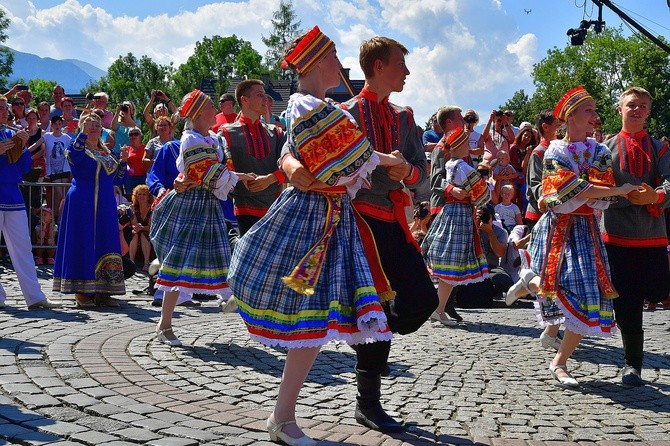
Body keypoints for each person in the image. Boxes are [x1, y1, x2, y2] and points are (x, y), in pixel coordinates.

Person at [228, 27, 401, 445]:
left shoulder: (314, 106)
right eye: (333, 55)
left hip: (329, 216)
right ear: (318, 62)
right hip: (315, 216)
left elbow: (337, 154)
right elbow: (345, 155)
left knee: (316, 321)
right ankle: (282, 419)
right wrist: (386, 158)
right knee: (311, 319)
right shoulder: (307, 106)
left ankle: (282, 417)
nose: (339, 63)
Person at [283, 35, 438, 433]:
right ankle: (368, 401)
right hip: (356, 222)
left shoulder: (404, 117)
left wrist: (410, 173)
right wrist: (287, 165)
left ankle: (369, 332)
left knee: (421, 299)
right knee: (377, 317)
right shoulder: (344, 111)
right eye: (401, 63)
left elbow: (423, 171)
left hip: (395, 220)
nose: (407, 71)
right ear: (380, 67)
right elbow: (290, 147)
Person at [506, 86, 638, 387]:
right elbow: (574, 190)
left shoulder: (600, 151)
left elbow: (593, 190)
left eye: (594, 109)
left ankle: (559, 361)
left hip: (587, 229)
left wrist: (601, 190)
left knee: (589, 296)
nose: (595, 115)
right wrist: (617, 190)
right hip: (558, 228)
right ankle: (530, 284)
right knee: (563, 289)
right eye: (589, 109)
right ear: (571, 116)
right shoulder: (555, 150)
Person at [150, 89, 250, 345]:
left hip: (208, 204)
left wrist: (233, 175)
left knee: (219, 256)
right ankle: (164, 324)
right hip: (190, 205)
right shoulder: (191, 139)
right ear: (196, 113)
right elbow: (208, 173)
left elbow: (219, 168)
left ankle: (232, 297)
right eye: (208, 106)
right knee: (179, 262)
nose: (213, 108)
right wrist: (238, 177)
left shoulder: (213, 138)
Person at [602, 87, 670, 386]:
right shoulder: (604, 149)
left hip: (654, 236)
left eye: (643, 105)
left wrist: (655, 196)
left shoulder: (660, 149)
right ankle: (633, 365)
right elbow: (598, 189)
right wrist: (630, 198)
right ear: (620, 109)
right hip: (617, 237)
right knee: (627, 302)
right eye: (631, 105)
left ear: (649, 112)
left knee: (658, 291)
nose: (637, 109)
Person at [53, 112, 129, 308]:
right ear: (81, 128)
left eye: (96, 124)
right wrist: (83, 135)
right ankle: (82, 293)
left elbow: (118, 179)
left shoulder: (106, 153)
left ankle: (105, 292)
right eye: (89, 124)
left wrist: (123, 161)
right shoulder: (76, 147)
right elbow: (75, 159)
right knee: (83, 241)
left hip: (104, 204)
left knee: (106, 242)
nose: (94, 127)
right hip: (82, 203)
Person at [423, 128, 490, 325]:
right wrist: (476, 196)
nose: (469, 147)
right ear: (460, 146)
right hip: (460, 214)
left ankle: (440, 308)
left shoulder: (451, 164)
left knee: (450, 264)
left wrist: (451, 189)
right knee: (452, 264)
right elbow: (482, 193)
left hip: (451, 211)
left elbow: (443, 182)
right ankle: (439, 308)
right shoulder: (463, 167)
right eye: (466, 144)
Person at [0, 95, 60, 309]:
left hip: (12, 194)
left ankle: (35, 297)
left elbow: (24, 167)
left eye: (6, 108)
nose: (5, 111)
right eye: (1, 108)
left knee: (23, 246)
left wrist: (23, 145)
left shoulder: (11, 133)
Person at [218, 79, 287, 235]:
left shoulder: (276, 133)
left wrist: (271, 178)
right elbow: (215, 168)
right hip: (244, 211)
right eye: (260, 95)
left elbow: (294, 163)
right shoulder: (226, 133)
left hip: (276, 209)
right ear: (245, 100)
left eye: (265, 95)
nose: (266, 100)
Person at [145, 140, 200, 309]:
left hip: (194, 204)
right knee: (167, 249)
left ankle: (183, 294)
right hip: (170, 203)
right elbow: (154, 174)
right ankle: (160, 292)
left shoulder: (207, 145)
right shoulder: (169, 148)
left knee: (189, 251)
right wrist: (159, 188)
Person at [42, 115, 72, 219]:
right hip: (53, 170)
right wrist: (27, 151)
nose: (57, 126)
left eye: (59, 123)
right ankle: (57, 219)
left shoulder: (66, 137)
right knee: (61, 194)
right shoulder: (47, 136)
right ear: (52, 125)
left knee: (62, 196)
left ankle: (59, 218)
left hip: (64, 169)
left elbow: (74, 147)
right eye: (55, 124)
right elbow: (38, 145)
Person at [128, 184, 153, 271]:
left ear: (148, 196)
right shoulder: (132, 208)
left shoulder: (152, 208)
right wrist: (138, 228)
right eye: (139, 194)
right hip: (136, 231)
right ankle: (131, 262)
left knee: (143, 234)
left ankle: (146, 263)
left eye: (144, 194)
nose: (141, 196)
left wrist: (141, 228)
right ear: (136, 196)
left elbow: (151, 227)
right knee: (135, 234)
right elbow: (134, 224)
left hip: (148, 232)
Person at [123, 127, 148, 199]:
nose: (133, 136)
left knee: (143, 199)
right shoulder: (127, 148)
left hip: (143, 177)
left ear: (141, 135)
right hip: (130, 178)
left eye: (136, 134)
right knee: (130, 198)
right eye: (131, 134)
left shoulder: (146, 148)